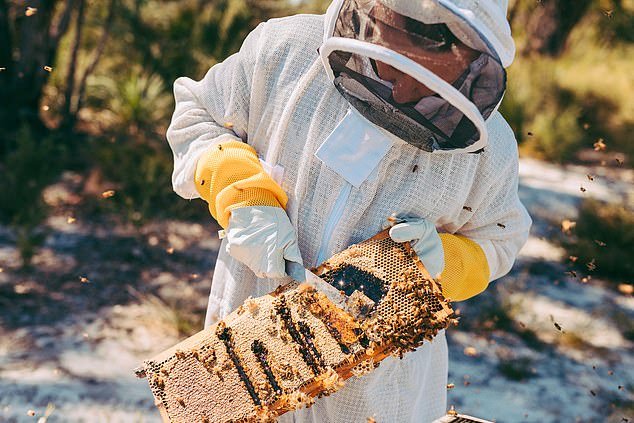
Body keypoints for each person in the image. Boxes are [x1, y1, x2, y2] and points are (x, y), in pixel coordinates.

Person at [166, 0, 532, 421]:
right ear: (379, 13)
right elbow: (198, 114)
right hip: (242, 363)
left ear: (472, 59)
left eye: (431, 77)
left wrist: (447, 262)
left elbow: (500, 238)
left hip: (378, 398)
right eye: (398, 63)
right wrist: (240, 192)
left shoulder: (490, 149)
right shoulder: (284, 51)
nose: (404, 92)